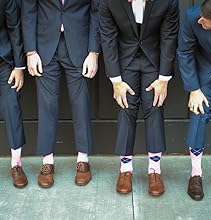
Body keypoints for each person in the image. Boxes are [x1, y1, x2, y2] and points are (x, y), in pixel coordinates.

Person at [99, 0, 179, 195]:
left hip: (154, 59)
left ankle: (155, 170)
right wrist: (116, 80)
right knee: (126, 108)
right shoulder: (108, 2)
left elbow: (169, 37)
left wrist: (164, 78)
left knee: (154, 106)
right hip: (125, 59)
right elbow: (107, 38)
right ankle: (125, 169)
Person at [21, 0, 100, 188]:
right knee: (46, 104)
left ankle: (83, 159)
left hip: (79, 46)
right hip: (44, 46)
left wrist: (94, 52)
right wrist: (30, 52)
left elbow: (96, 12)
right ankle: (47, 161)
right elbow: (29, 11)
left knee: (80, 102)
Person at [177, 0, 211, 201]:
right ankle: (196, 173)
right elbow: (184, 52)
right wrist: (194, 89)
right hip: (207, 67)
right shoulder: (194, 16)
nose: (200, 20)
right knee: (199, 112)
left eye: (207, 20)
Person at [0, 0, 27, 188]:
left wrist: (19, 66)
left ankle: (16, 164)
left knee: (12, 106)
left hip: (4, 60)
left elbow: (14, 27)